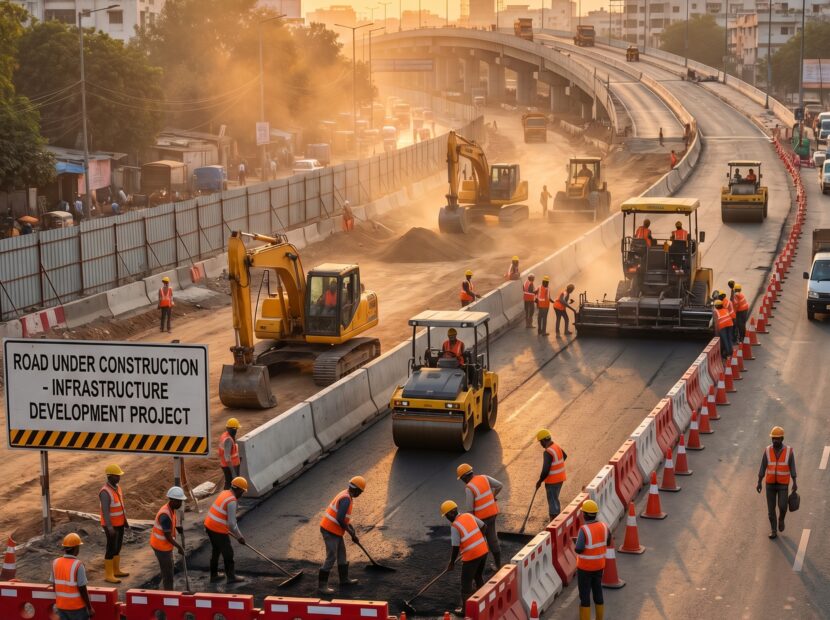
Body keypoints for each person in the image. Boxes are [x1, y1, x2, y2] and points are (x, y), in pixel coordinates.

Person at [440, 499, 489, 617]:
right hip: (483, 551)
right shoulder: (468, 515)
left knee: (465, 583)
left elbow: (455, 547)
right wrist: (478, 540)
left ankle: (466, 610)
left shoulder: (455, 526)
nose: (447, 518)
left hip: (472, 556)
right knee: (478, 576)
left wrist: (451, 563)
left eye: (446, 515)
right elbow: (484, 526)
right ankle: (483, 602)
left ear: (450, 514)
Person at [319, 476, 366, 593]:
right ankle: (322, 587)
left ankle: (344, 580)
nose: (359, 494)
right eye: (360, 492)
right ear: (356, 490)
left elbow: (344, 518)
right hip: (329, 530)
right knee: (331, 556)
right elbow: (340, 518)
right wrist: (351, 534)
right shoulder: (346, 499)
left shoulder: (346, 494)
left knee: (342, 554)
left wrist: (351, 528)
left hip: (335, 530)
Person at [457, 464, 503, 569]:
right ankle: (498, 565)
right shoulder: (484, 478)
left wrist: (472, 524)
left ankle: (477, 567)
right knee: (492, 539)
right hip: (492, 514)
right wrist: (493, 496)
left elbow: (470, 509)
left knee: (479, 543)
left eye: (461, 479)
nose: (462, 481)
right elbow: (500, 485)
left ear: (464, 477)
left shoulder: (469, 488)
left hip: (481, 520)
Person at [204, 476, 248, 584]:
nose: (242, 494)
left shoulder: (225, 493)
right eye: (242, 492)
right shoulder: (232, 501)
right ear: (238, 490)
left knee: (216, 550)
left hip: (209, 525)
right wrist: (240, 537)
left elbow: (224, 517)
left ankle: (214, 575)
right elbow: (232, 524)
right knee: (228, 553)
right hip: (217, 529)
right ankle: (231, 577)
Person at [756, 426, 797, 539]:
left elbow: (792, 467)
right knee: (771, 509)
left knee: (783, 506)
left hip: (783, 485)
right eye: (773, 438)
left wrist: (794, 481)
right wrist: (759, 482)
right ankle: (774, 530)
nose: (775, 440)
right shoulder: (767, 450)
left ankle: (781, 519)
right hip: (770, 485)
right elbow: (762, 466)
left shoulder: (789, 451)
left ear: (782, 439)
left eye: (777, 438)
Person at [575, 500, 610, 620]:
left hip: (585, 568)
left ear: (585, 515)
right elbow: (608, 541)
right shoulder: (604, 526)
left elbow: (579, 549)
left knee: (584, 596)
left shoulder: (584, 530)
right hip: (599, 566)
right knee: (597, 592)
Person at [50, 533, 94, 620]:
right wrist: (89, 608)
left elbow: (54, 586)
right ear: (76, 548)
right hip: (77, 608)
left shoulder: (55, 562)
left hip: (61, 606)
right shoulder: (78, 565)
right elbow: (82, 588)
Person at [150, 487, 186, 590]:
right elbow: (168, 536)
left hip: (164, 545)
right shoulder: (165, 515)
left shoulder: (171, 509)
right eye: (180, 501)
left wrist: (178, 528)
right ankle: (169, 594)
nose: (181, 503)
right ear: (173, 500)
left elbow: (172, 524)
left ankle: (168, 572)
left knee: (169, 566)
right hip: (160, 547)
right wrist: (179, 547)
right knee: (168, 573)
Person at [99, 464, 129, 584]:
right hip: (111, 526)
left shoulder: (117, 488)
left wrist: (125, 521)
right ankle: (109, 575)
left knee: (118, 547)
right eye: (117, 476)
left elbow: (120, 506)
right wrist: (110, 527)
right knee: (111, 548)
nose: (119, 478)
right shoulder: (105, 492)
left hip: (120, 523)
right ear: (110, 476)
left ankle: (116, 570)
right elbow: (105, 511)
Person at [535, 429, 567, 520]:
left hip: (552, 481)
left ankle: (554, 522)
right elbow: (564, 456)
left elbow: (545, 470)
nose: (540, 444)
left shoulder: (548, 452)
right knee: (555, 500)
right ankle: (558, 521)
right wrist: (556, 466)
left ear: (544, 440)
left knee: (553, 502)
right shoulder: (556, 446)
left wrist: (539, 481)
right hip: (560, 479)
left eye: (540, 442)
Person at [218, 418, 242, 490]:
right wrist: (233, 473)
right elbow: (227, 458)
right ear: (232, 429)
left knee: (229, 483)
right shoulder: (228, 440)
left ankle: (228, 498)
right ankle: (228, 499)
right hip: (229, 466)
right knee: (230, 485)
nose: (236, 431)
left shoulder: (225, 435)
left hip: (228, 465)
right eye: (236, 429)